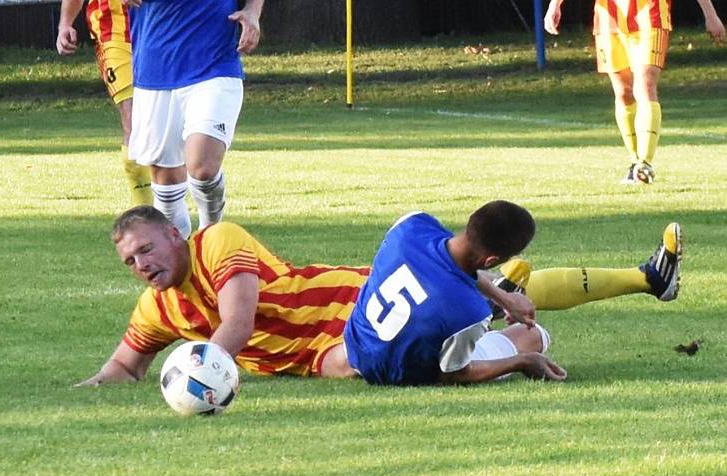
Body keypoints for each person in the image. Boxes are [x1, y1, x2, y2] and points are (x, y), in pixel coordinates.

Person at [78, 203, 682, 387]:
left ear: (176, 234)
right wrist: (86, 392)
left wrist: (198, 377)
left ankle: (631, 283)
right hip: (322, 356)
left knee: (490, 316)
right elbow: (124, 364)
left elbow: (235, 321)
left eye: (147, 250)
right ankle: (638, 280)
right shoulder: (157, 307)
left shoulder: (216, 241)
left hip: (354, 302)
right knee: (496, 297)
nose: (141, 265)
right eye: (130, 261)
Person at [123, 0, 264, 239]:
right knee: (166, 183)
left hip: (214, 64)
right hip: (154, 67)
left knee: (202, 167)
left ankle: (210, 237)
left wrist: (253, 12)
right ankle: (183, 267)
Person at [544, 0, 726, 184]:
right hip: (609, 18)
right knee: (623, 92)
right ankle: (635, 162)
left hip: (651, 15)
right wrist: (555, 5)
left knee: (645, 85)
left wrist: (710, 14)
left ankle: (645, 163)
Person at [56, 0, 153, 206]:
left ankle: (178, 210)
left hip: (163, 24)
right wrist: (65, 23)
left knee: (169, 127)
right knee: (135, 124)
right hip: (114, 32)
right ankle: (146, 215)